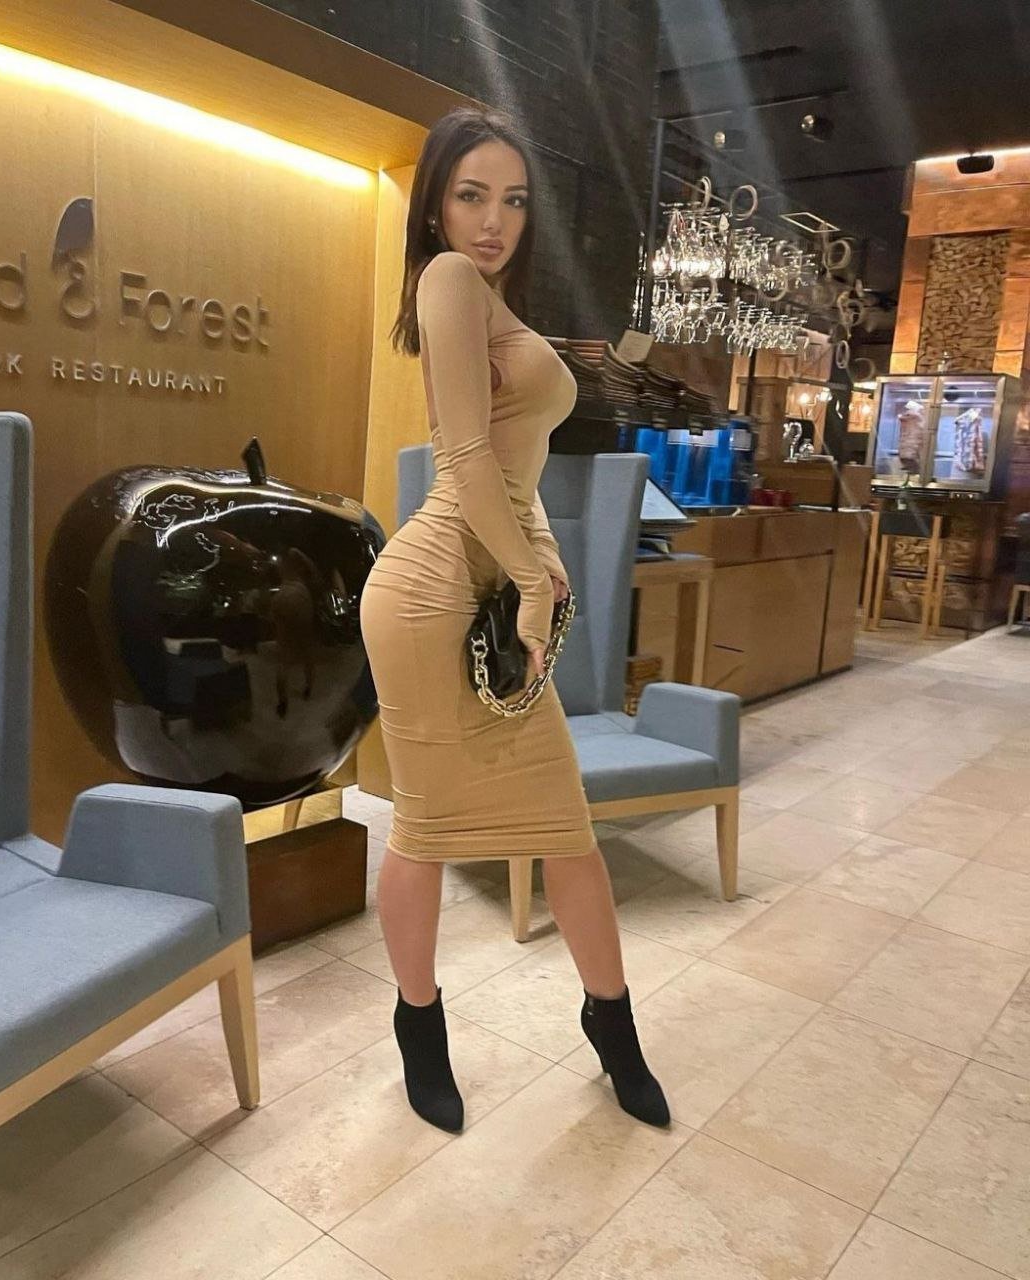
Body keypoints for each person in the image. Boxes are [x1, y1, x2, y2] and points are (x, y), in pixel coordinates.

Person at [359, 107, 669, 1135]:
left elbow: (513, 467)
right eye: (471, 196)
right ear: (436, 207)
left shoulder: (489, 300)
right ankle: (419, 1028)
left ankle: (612, 1024)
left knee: (566, 829)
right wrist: (532, 582)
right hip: (429, 594)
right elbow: (460, 459)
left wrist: (541, 558)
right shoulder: (448, 279)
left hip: (489, 581)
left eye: (513, 200)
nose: (493, 220)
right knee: (425, 826)